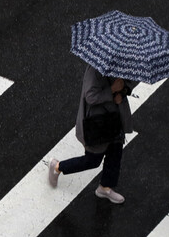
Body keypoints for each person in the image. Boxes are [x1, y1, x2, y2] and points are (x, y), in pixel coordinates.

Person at [48, 64, 133, 203]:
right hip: (98, 123)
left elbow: (127, 84)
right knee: (93, 160)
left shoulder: (122, 65)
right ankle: (58, 167)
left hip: (115, 119)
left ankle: (105, 187)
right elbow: (91, 97)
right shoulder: (94, 71)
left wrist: (122, 91)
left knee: (115, 153)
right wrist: (112, 91)